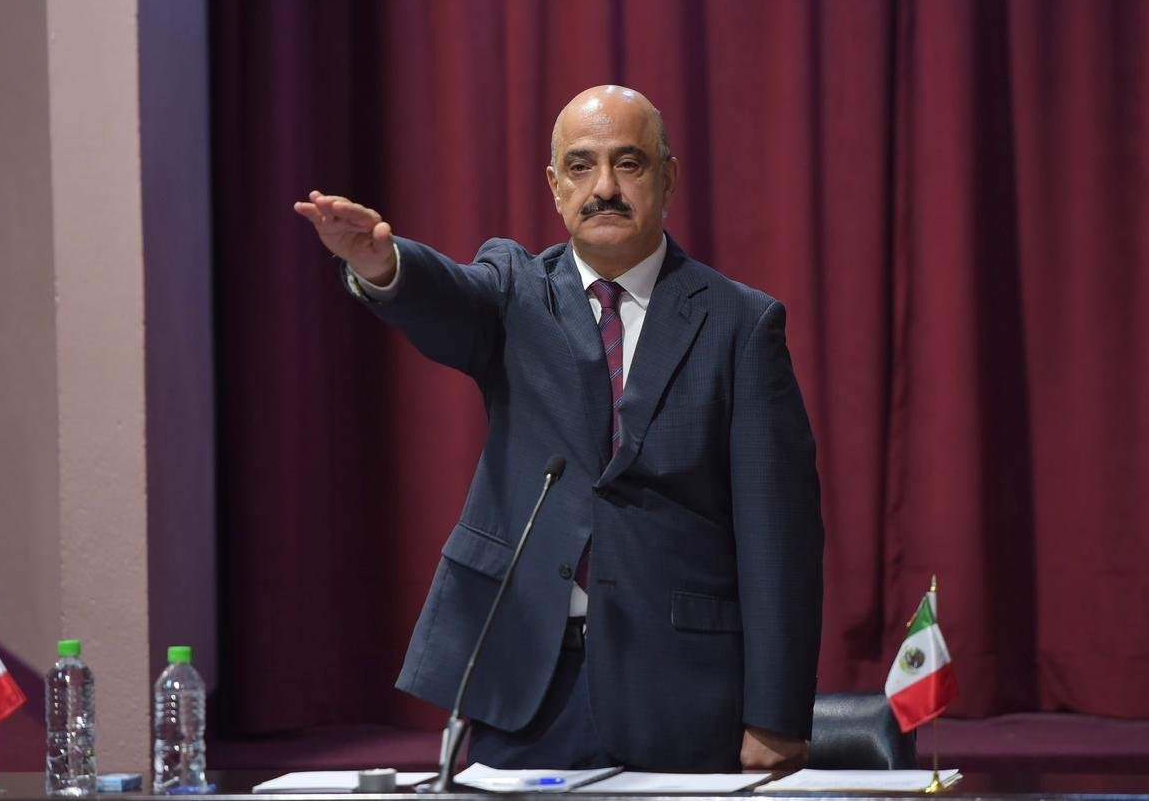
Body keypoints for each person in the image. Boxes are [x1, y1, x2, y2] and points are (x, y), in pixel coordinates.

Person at [294, 85, 823, 773]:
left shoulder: (741, 324)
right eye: (580, 166)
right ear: (554, 186)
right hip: (527, 681)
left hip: (683, 688)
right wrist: (381, 264)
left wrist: (775, 716)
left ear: (667, 179)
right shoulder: (514, 290)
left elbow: (779, 536)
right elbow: (445, 295)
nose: (604, 188)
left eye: (628, 163)